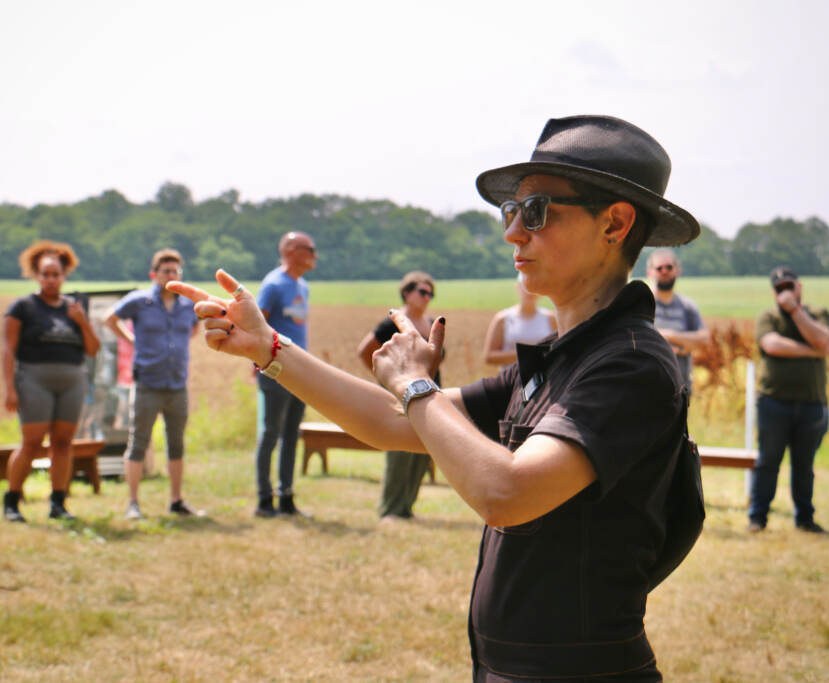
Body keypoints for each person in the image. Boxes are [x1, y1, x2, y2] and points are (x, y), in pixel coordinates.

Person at [170, 114, 701, 680]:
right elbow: (392, 421)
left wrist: (416, 387)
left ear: (616, 223)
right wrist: (269, 348)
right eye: (511, 211)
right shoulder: (562, 357)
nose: (513, 232)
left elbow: (507, 492)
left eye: (537, 210)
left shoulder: (631, 362)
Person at [2, 240, 100, 522]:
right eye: (45, 274)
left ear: (64, 276)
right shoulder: (22, 307)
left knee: (63, 443)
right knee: (32, 443)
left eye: (56, 274)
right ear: (36, 275)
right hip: (34, 379)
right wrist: (10, 388)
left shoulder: (73, 308)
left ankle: (58, 502)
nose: (51, 280)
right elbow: (8, 349)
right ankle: (12, 501)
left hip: (71, 381)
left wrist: (82, 322)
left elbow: (93, 349)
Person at [105, 249, 202, 520]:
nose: (171, 276)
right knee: (139, 443)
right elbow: (110, 319)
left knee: (177, 444)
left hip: (177, 384)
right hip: (147, 383)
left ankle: (176, 500)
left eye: (176, 272)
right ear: (154, 274)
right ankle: (133, 503)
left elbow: (195, 327)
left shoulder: (187, 305)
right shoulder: (139, 301)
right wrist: (130, 339)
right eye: (166, 271)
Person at [748, 266, 829, 534]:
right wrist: (813, 351)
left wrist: (797, 312)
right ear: (773, 293)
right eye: (779, 289)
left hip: (812, 404)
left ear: (800, 287)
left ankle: (805, 518)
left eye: (789, 286)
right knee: (768, 461)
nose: (785, 293)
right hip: (774, 403)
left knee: (804, 465)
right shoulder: (768, 317)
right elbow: (772, 345)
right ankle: (758, 518)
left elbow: (825, 340)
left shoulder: (818, 314)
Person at [356, 271, 438, 520]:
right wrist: (386, 379)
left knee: (423, 452)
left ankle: (407, 506)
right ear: (406, 293)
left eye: (430, 293)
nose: (427, 297)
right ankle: (391, 509)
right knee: (400, 451)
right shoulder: (394, 323)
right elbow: (364, 351)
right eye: (422, 292)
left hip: (431, 394)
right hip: (403, 395)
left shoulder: (432, 323)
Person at [252, 231, 317, 518]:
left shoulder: (303, 286)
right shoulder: (273, 285)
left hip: (300, 373)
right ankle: (264, 500)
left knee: (292, 435)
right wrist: (258, 361)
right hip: (276, 370)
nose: (315, 255)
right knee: (270, 434)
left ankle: (286, 497)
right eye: (309, 249)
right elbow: (256, 325)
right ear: (291, 250)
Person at [646, 248, 710, 394]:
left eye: (669, 267)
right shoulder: (643, 304)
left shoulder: (687, 306)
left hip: (681, 390)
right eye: (659, 268)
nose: (664, 271)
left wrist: (668, 335)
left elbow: (704, 339)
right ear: (650, 272)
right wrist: (684, 345)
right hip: (647, 390)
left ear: (677, 270)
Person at [482, 273, 557, 365]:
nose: (530, 291)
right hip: (511, 378)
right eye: (525, 286)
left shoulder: (551, 318)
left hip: (544, 378)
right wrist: (527, 354)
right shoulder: (503, 318)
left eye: (535, 286)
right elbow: (489, 357)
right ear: (517, 287)